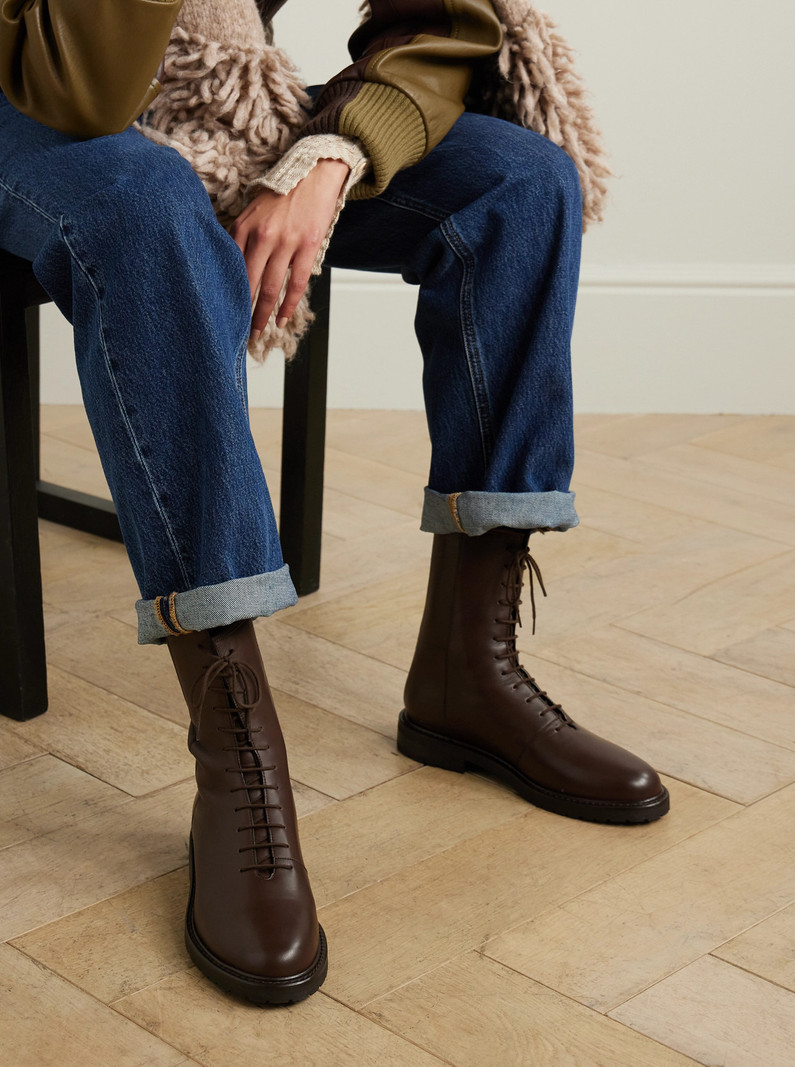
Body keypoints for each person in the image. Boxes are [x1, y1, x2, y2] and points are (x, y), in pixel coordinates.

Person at [0, 0, 669, 1006]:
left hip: (209, 92)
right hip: (28, 98)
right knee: (144, 200)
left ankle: (468, 671)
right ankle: (237, 751)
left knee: (522, 182)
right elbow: (84, 91)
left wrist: (333, 155)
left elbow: (442, 20)